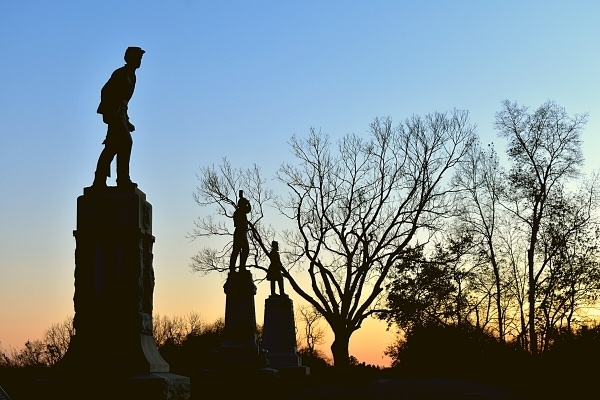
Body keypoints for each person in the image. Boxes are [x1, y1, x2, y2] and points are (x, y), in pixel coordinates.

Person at [93, 46, 145, 188]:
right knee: (126, 142)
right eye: (138, 57)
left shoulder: (132, 76)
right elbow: (106, 91)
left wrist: (126, 120)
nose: (140, 60)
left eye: (140, 58)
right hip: (114, 114)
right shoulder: (121, 73)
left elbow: (124, 101)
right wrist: (109, 113)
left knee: (112, 147)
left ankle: (100, 180)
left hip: (121, 114)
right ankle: (122, 179)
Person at [229, 190, 252, 272]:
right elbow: (248, 209)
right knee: (241, 250)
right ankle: (237, 268)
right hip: (240, 232)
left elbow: (248, 209)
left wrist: (246, 202)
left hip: (241, 232)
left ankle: (239, 267)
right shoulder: (240, 212)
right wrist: (247, 202)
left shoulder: (239, 211)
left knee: (238, 250)